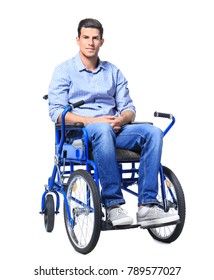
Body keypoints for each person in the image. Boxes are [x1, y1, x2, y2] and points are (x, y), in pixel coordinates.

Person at [48, 18, 180, 227]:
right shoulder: (64, 70)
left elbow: (129, 108)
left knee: (153, 133)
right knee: (102, 129)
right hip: (82, 134)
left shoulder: (112, 71)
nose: (90, 42)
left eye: (95, 38)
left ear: (102, 41)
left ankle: (147, 206)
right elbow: (56, 112)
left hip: (115, 129)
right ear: (78, 40)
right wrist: (94, 121)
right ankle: (112, 206)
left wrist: (121, 118)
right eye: (86, 38)